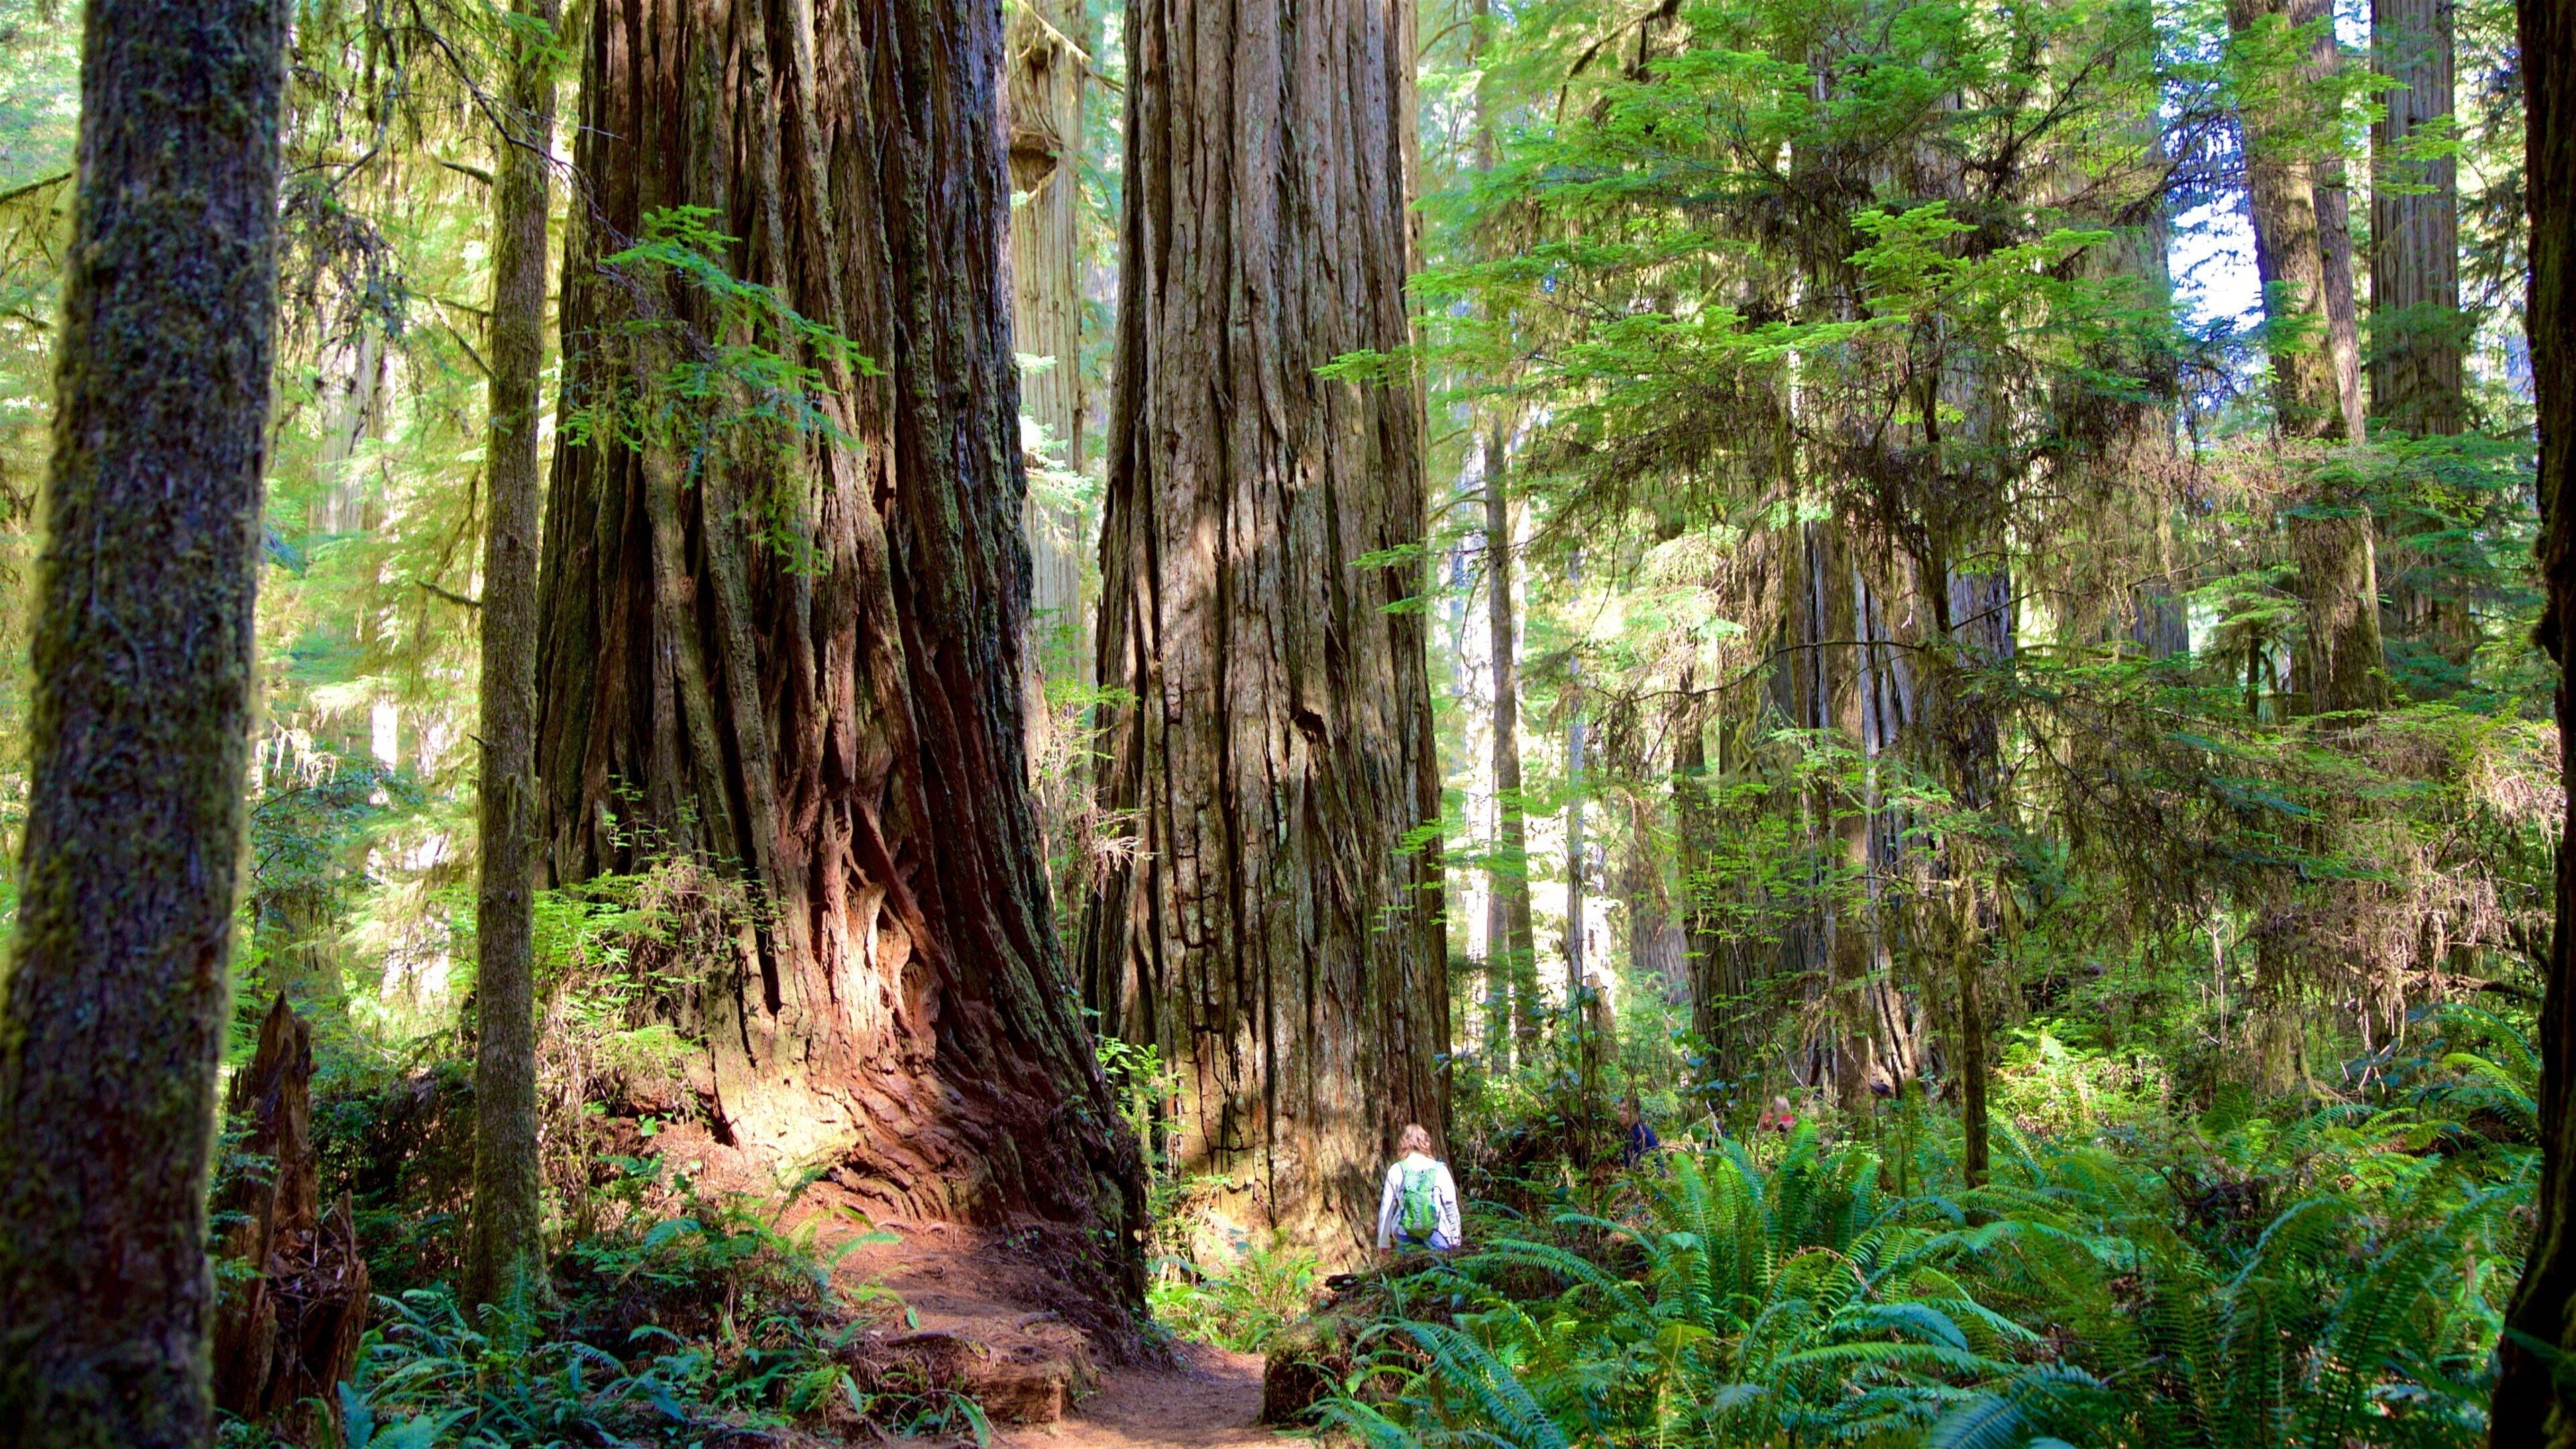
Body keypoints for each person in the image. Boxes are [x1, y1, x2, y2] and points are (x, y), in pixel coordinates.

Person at [1375, 1123, 1462, 1254]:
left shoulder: (1396, 1170)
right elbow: (1451, 1206)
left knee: (1408, 1274)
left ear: (1403, 1144)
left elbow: (1386, 1210)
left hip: (1406, 1237)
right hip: (1437, 1235)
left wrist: (1383, 1242)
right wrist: (1456, 1241)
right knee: (1439, 1274)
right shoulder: (1439, 1169)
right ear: (1426, 1143)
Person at [1618, 1095, 1661, 1168]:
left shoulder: (1639, 1135)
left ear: (1636, 1112)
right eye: (1619, 1110)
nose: (1620, 1114)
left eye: (1625, 1110)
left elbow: (1645, 1169)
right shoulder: (1634, 1132)